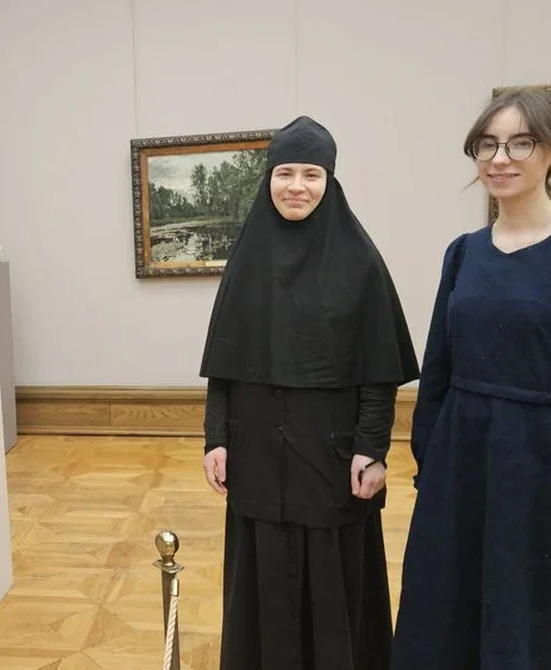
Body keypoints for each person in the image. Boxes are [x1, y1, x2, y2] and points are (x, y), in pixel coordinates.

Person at [390, 88, 551, 669]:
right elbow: (440, 371)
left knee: (539, 636)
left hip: (548, 481)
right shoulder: (464, 253)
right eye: (487, 145)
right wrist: (432, 469)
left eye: (519, 143)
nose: (500, 159)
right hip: (462, 473)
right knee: (448, 628)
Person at [199, 115, 419, 669]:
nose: (297, 186)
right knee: (263, 579)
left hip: (332, 457)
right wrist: (215, 438)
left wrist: (372, 448)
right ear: (269, 177)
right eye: (285, 173)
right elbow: (225, 363)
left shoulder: (361, 263)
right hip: (256, 453)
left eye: (312, 174)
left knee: (332, 580)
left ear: (330, 180)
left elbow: (379, 370)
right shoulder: (246, 260)